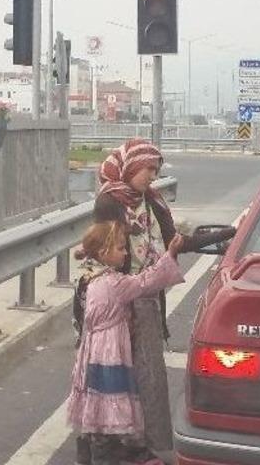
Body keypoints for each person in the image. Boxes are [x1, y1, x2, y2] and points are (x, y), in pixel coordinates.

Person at [90, 139, 236, 457]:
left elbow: (176, 243)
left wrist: (227, 235)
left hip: (146, 299)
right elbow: (105, 253)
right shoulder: (109, 203)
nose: (152, 177)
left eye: (156, 171)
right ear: (131, 166)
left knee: (149, 375)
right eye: (148, 169)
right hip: (118, 303)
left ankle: (144, 444)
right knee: (115, 375)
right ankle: (111, 444)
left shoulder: (153, 202)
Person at [67, 222, 185, 465]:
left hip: (91, 348)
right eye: (120, 248)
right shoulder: (113, 284)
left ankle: (90, 449)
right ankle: (104, 455)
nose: (125, 253)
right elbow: (146, 282)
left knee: (96, 400)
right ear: (103, 252)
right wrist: (170, 255)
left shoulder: (86, 276)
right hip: (109, 350)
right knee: (110, 399)